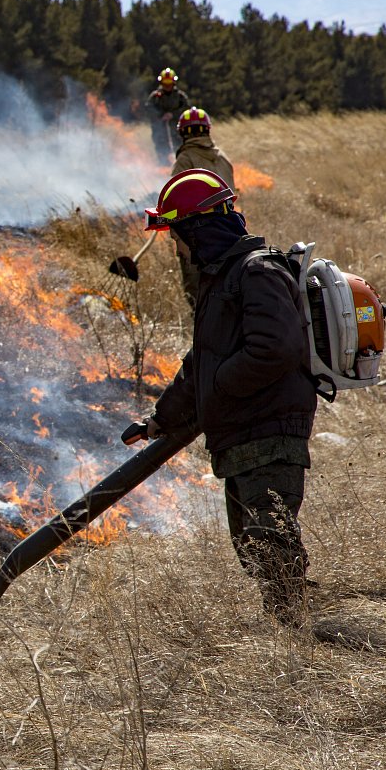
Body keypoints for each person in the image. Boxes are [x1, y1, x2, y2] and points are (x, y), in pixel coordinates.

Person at [137, 168, 317, 626]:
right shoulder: (223, 278)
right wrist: (163, 417)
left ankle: (296, 639)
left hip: (268, 431)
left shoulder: (256, 272)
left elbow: (274, 348)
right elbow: (203, 360)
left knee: (270, 541)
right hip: (242, 435)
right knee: (256, 548)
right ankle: (290, 625)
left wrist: (219, 389)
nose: (177, 247)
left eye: (178, 234)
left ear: (199, 229)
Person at [170, 107, 235, 305]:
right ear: (207, 130)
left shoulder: (185, 160)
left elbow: (176, 204)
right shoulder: (224, 159)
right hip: (229, 235)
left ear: (182, 133)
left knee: (198, 300)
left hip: (196, 240)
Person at [146, 68, 191, 161]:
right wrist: (161, 115)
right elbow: (148, 109)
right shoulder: (155, 97)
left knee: (180, 156)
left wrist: (173, 115)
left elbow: (187, 110)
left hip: (178, 133)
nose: (167, 86)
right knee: (162, 156)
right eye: (165, 83)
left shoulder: (180, 97)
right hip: (160, 133)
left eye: (169, 83)